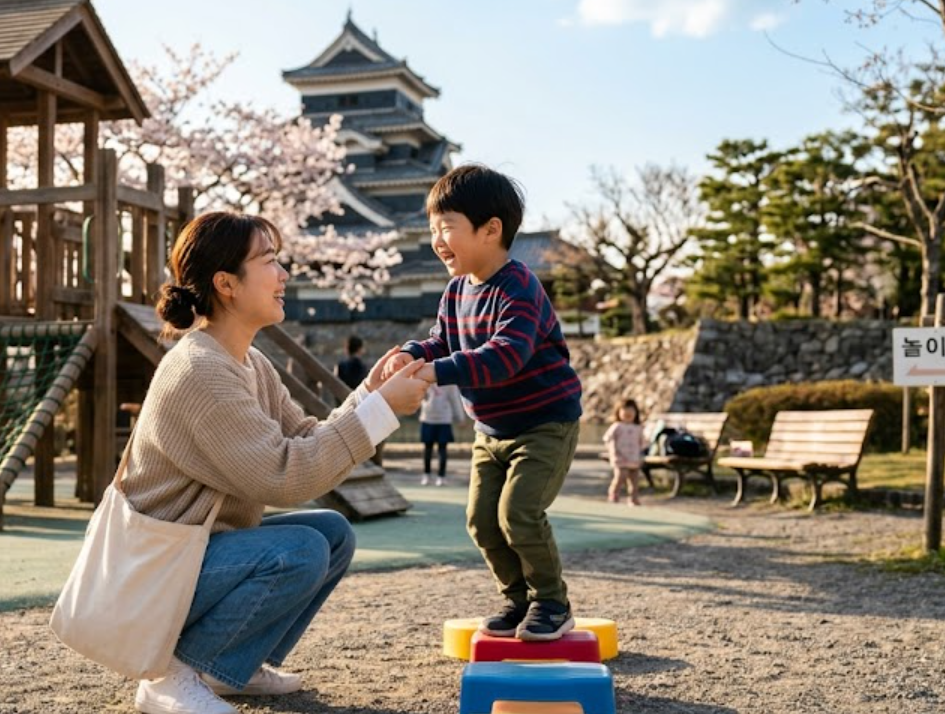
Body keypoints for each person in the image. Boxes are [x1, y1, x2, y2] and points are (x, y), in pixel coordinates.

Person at [122, 212, 429, 714]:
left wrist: (370, 393)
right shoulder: (200, 371)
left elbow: (306, 436)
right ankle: (169, 674)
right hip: (154, 576)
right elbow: (286, 476)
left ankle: (229, 669)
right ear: (226, 284)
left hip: (192, 561)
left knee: (332, 533)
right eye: (269, 261)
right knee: (300, 549)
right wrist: (382, 410)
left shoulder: (247, 361)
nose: (284, 274)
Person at [383, 164, 583, 642]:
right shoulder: (456, 291)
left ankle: (552, 602)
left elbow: (504, 356)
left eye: (447, 226)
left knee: (519, 512)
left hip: (544, 423)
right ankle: (517, 599)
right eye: (433, 229)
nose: (437, 240)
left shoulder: (520, 287)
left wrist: (437, 371)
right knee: (481, 520)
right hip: (490, 430)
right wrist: (414, 353)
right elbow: (441, 340)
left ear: (491, 229)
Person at [418, 384, 466, 486]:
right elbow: (418, 396)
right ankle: (426, 474)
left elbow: (455, 400)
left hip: (444, 419)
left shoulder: (450, 381)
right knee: (427, 449)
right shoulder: (425, 378)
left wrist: (460, 418)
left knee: (442, 449)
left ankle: (441, 476)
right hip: (428, 418)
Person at [602, 398, 646, 506]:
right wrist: (613, 451)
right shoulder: (617, 426)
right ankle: (614, 493)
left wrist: (642, 454)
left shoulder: (638, 428)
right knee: (621, 476)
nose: (629, 412)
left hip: (634, 458)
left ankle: (633, 498)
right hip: (620, 457)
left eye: (632, 410)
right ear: (618, 412)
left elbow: (643, 442)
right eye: (625, 410)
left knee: (634, 480)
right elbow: (608, 439)